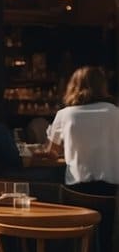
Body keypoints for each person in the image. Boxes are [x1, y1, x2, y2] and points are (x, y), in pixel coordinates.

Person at [46, 66, 119, 196]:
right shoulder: (115, 112)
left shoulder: (64, 115)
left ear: (73, 87)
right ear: (103, 86)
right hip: (111, 188)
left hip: (76, 187)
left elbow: (51, 154)